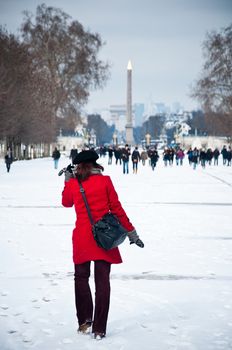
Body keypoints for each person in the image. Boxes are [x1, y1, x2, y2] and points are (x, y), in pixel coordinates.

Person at [61, 150, 144, 340]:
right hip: (104, 237)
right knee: (102, 282)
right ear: (95, 165)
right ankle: (99, 328)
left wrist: (67, 180)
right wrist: (131, 233)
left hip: (83, 237)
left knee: (81, 278)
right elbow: (117, 209)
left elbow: (66, 203)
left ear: (78, 167)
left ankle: (84, 320)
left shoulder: (74, 183)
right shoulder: (105, 181)